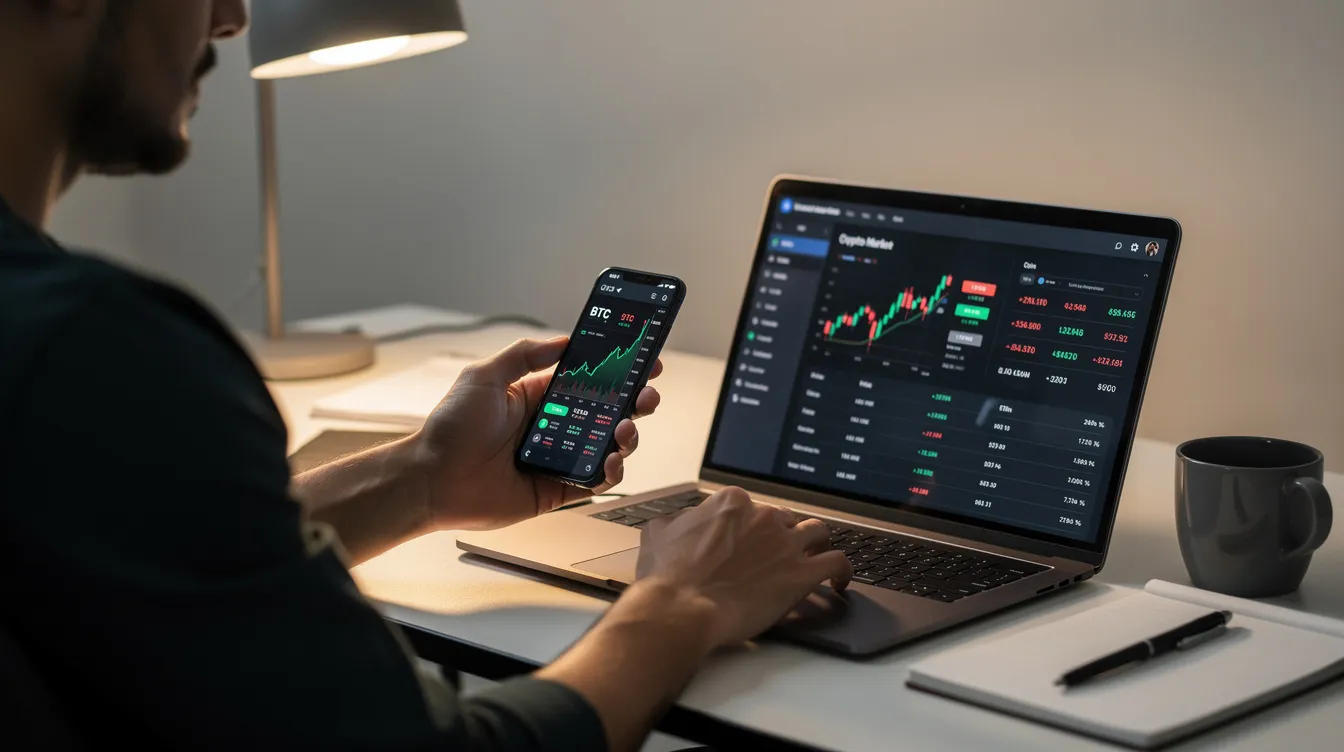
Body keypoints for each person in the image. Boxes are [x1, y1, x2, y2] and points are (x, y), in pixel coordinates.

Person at [0, 1, 851, 750]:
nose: (230, 17)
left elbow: (134, 547)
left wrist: (419, 480)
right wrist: (680, 604)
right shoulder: (93, 347)